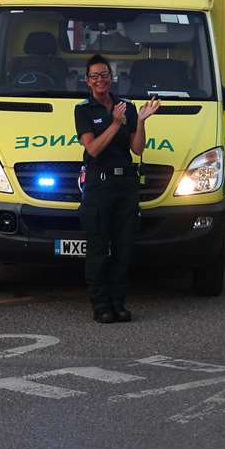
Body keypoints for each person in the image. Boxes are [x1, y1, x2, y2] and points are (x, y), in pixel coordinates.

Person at [74, 55, 160, 323]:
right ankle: (101, 305)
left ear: (112, 77)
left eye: (105, 74)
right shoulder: (84, 110)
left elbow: (137, 149)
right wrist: (114, 124)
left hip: (125, 184)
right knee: (98, 247)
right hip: (99, 183)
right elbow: (93, 149)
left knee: (123, 247)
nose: (101, 80)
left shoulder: (127, 107)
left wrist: (142, 121)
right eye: (95, 76)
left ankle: (118, 302)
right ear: (87, 81)